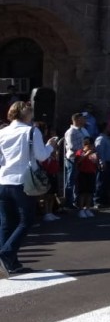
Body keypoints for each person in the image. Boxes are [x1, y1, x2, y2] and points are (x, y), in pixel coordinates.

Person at [0, 101, 59, 276]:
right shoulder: (32, 131)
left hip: (3, 180)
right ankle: (6, 253)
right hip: (22, 182)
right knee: (26, 220)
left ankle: (12, 262)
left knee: (6, 223)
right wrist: (51, 146)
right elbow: (41, 155)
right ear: (26, 114)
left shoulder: (2, 132)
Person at [62, 112, 87, 210]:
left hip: (79, 158)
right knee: (70, 180)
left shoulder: (81, 131)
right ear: (77, 120)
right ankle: (68, 201)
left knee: (76, 180)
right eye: (82, 119)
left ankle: (75, 200)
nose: (84, 120)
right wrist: (83, 151)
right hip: (73, 158)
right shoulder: (71, 131)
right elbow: (72, 146)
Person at [75, 137, 98, 218]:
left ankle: (87, 208)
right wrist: (86, 154)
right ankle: (81, 209)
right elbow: (78, 161)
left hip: (91, 173)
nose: (92, 147)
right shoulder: (80, 152)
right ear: (85, 145)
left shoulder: (93, 153)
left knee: (89, 192)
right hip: (82, 174)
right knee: (82, 192)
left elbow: (95, 163)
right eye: (90, 145)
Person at [94, 122, 110, 207]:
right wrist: (102, 162)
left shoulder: (106, 138)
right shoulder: (101, 139)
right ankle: (97, 200)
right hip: (105, 162)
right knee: (101, 182)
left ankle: (104, 199)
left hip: (109, 162)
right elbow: (100, 152)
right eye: (108, 127)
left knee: (106, 182)